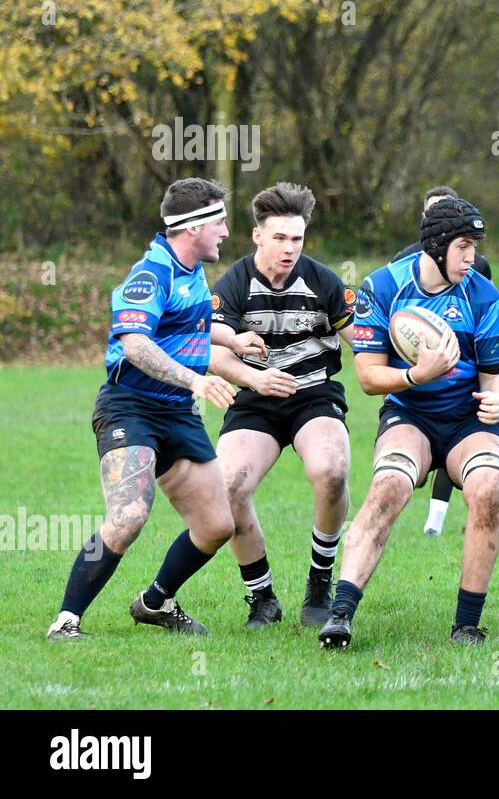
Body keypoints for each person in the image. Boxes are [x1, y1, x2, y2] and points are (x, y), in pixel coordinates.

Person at [48, 178, 256, 640]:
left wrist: (232, 338)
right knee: (128, 516)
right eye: (219, 221)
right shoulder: (150, 274)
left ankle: (155, 602)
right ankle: (66, 621)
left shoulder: (192, 270)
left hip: (176, 412)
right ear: (192, 227)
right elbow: (137, 343)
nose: (226, 230)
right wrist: (196, 379)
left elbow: (189, 323)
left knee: (217, 525)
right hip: (130, 407)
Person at [318, 198, 499, 647]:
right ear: (438, 246)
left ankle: (466, 624)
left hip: (468, 420)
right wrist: (416, 375)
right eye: (463, 247)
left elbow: (496, 378)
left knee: (491, 487)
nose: (471, 257)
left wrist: (498, 402)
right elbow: (368, 377)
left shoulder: (482, 295)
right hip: (410, 412)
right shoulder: (381, 287)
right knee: (389, 487)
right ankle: (341, 614)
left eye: (474, 247)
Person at [208, 183, 355, 628]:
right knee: (228, 485)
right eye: (279, 238)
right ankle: (262, 597)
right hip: (255, 397)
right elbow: (212, 351)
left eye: (297, 238)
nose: (289, 248)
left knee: (331, 471)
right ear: (257, 236)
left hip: (314, 393)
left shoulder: (324, 281)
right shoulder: (234, 282)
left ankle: (319, 582)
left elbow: (364, 344)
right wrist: (255, 378)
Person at [395, 186, 495, 538]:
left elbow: (483, 323)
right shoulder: (400, 265)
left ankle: (435, 522)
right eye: (431, 212)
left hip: (462, 380)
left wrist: (492, 382)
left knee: (469, 454)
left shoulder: (476, 269)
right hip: (416, 383)